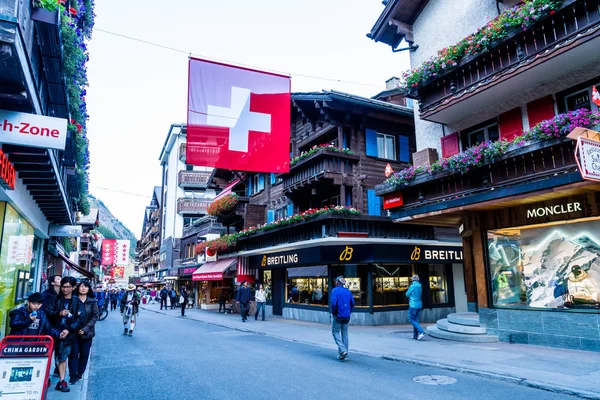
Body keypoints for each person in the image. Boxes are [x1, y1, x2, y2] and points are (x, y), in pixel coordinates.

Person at [46, 276, 86, 393]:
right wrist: (59, 313)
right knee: (50, 356)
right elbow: (47, 312)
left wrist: (68, 330)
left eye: (68, 287)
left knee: (63, 357)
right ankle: (46, 378)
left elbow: (80, 318)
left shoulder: (76, 301)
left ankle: (62, 380)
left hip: (68, 334)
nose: (65, 289)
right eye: (63, 286)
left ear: (73, 287)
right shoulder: (54, 299)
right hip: (53, 332)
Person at [68, 282, 98, 385]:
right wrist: (75, 328)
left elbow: (95, 316)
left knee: (84, 354)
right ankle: (73, 375)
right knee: (73, 354)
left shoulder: (92, 301)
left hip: (87, 332)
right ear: (77, 288)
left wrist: (85, 329)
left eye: (86, 286)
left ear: (89, 289)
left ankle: (80, 373)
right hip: (73, 332)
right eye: (81, 286)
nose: (83, 288)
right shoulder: (73, 299)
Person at [330, 276, 354, 361]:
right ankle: (344, 354)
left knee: (335, 332)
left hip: (338, 316)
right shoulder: (348, 291)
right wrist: (349, 312)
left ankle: (343, 350)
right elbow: (352, 303)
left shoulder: (334, 291)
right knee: (345, 334)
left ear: (337, 282)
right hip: (346, 316)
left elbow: (333, 304)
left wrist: (334, 313)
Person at [406, 274, 425, 341]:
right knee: (416, 320)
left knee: (411, 320)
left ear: (413, 279)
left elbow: (407, 294)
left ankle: (421, 332)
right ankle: (415, 335)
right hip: (419, 304)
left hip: (413, 304)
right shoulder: (420, 286)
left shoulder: (412, 286)